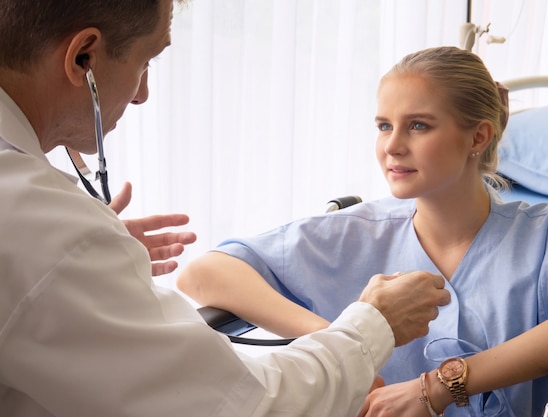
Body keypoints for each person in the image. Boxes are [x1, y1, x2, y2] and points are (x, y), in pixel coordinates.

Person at [0, 1, 452, 416]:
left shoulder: (41, 221)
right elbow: (244, 405)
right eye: (146, 61)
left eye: (418, 126)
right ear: (84, 57)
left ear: (480, 138)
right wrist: (370, 326)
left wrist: (95, 258)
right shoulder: (47, 229)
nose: (143, 94)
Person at [177, 46, 548, 417]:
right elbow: (204, 273)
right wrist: (344, 338)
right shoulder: (354, 234)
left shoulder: (547, 234)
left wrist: (441, 387)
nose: (392, 145)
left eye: (418, 125)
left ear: (478, 137)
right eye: (384, 126)